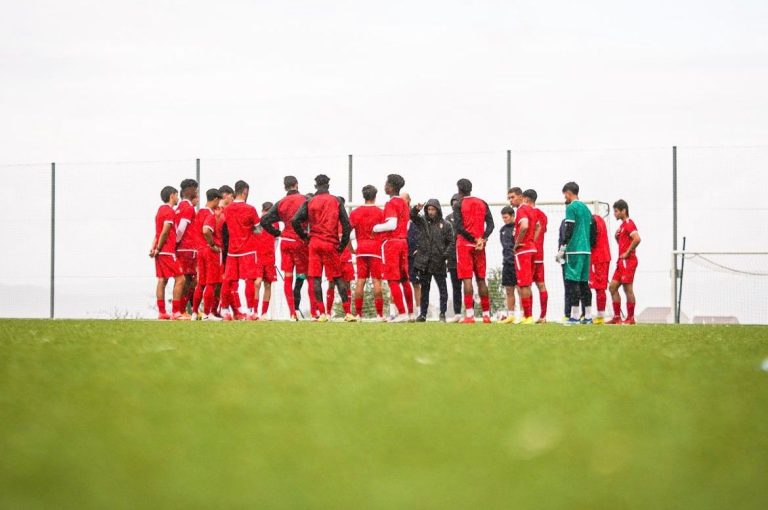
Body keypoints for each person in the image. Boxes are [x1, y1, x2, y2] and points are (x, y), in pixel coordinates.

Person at [292, 174, 353, 322]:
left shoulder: (310, 201)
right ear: (328, 185)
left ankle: (323, 313)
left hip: (314, 243)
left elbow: (295, 220)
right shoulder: (336, 201)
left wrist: (305, 236)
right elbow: (347, 225)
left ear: (315, 186)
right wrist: (342, 244)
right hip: (330, 243)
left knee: (316, 278)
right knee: (338, 277)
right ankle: (347, 313)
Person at [260, 176, 312, 321]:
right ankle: (316, 313)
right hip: (301, 242)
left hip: (286, 242)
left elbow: (264, 221)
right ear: (297, 184)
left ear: (285, 187)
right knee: (309, 277)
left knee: (288, 278)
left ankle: (292, 314)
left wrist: (277, 233)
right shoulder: (305, 200)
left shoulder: (280, 203)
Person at [372, 174, 414, 323]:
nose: (384, 186)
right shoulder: (404, 203)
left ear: (390, 186)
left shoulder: (391, 203)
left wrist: (375, 228)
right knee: (404, 279)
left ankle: (401, 313)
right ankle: (410, 314)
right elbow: (407, 225)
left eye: (386, 183)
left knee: (392, 280)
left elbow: (392, 224)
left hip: (391, 243)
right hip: (403, 241)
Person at [452, 178, 494, 324]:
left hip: (465, 245)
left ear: (459, 190)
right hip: (480, 246)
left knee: (467, 279)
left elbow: (459, 227)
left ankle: (469, 315)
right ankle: (486, 315)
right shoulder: (482, 202)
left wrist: (473, 239)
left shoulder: (458, 204)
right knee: (481, 279)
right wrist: (482, 238)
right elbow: (491, 224)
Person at [221, 180, 261, 321]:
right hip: (248, 250)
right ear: (245, 191)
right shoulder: (250, 209)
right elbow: (258, 229)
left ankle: (225, 310)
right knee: (249, 280)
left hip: (232, 250)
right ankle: (250, 311)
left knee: (229, 281)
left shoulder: (228, 209)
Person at [410, 199, 453, 322]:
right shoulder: (422, 222)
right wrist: (416, 209)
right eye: (429, 209)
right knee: (425, 289)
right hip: (424, 262)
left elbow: (451, 242)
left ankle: (442, 314)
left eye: (433, 209)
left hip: (439, 262)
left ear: (438, 210)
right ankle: (423, 314)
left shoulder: (446, 225)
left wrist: (444, 256)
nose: (430, 212)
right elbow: (412, 216)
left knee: (442, 289)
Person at [558, 181, 594, 325]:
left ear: (568, 193)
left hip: (574, 250)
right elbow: (593, 231)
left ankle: (574, 316)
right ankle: (588, 316)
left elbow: (569, 227)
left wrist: (563, 247)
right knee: (584, 284)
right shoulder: (586, 209)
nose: (564, 198)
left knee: (573, 283)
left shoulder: (571, 207)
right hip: (586, 250)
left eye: (565, 195)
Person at [149, 186, 187, 320]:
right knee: (181, 278)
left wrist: (153, 247)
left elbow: (157, 232)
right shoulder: (169, 211)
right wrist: (159, 248)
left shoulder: (159, 211)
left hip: (160, 251)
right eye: (177, 195)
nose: (178, 198)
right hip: (167, 251)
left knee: (162, 280)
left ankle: (162, 312)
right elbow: (165, 231)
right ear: (172, 195)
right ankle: (176, 312)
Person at [348, 185, 385, 320]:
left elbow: (346, 232)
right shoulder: (380, 212)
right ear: (375, 196)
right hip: (375, 249)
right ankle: (379, 315)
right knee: (377, 282)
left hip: (361, 249)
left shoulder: (355, 212)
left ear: (363, 196)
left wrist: (351, 248)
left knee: (360, 281)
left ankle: (358, 314)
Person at [609, 199, 641, 325]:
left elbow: (637, 239)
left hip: (629, 261)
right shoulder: (622, 226)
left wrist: (627, 253)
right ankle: (617, 317)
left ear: (624, 211)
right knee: (612, 287)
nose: (614, 214)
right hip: (621, 262)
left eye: (616, 211)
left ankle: (631, 318)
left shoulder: (629, 223)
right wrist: (616, 238)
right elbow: (624, 244)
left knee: (628, 289)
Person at [508, 187, 536, 324]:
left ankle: (528, 316)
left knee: (523, 284)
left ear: (520, 196)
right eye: (509, 198)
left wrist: (517, 244)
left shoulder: (521, 209)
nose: (510, 201)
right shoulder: (531, 209)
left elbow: (524, 226)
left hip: (523, 250)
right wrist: (532, 241)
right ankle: (528, 315)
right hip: (531, 249)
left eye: (512, 197)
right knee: (528, 284)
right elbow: (537, 227)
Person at [195, 189, 223, 320]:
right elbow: (206, 230)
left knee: (201, 283)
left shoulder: (199, 212)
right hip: (209, 251)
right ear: (216, 199)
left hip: (199, 250)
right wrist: (212, 245)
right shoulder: (210, 214)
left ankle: (195, 313)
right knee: (211, 283)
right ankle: (207, 314)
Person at [325, 197, 355, 319]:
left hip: (343, 256)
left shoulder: (345, 222)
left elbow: (347, 239)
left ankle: (347, 313)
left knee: (345, 284)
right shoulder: (328, 221)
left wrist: (353, 251)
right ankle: (328, 313)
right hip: (334, 256)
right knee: (332, 284)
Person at [174, 178, 199, 317]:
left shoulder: (179, 207)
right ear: (188, 190)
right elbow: (181, 229)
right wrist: (176, 243)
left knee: (187, 280)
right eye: (195, 188)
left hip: (183, 249)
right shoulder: (187, 207)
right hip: (187, 249)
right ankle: (180, 310)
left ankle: (181, 309)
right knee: (186, 280)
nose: (196, 191)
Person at [254, 202, 278, 320]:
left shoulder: (275, 224)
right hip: (258, 257)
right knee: (257, 283)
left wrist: (272, 254)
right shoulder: (258, 223)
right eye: (266, 211)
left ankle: (264, 313)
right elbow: (253, 238)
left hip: (269, 258)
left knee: (267, 285)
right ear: (262, 211)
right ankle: (254, 311)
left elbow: (276, 240)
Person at [529, 190, 549, 323]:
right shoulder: (543, 215)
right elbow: (543, 230)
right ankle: (543, 316)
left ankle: (527, 316)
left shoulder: (527, 213)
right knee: (541, 284)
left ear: (526, 199)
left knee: (524, 285)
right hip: (539, 254)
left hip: (528, 254)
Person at [589, 212, 611, 324]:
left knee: (597, 287)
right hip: (605, 256)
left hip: (598, 257)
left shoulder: (592, 221)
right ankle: (600, 315)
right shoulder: (599, 219)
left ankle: (598, 316)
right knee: (600, 287)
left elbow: (592, 240)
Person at [444, 194, 463, 322]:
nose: (454, 204)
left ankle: (470, 312)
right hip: (452, 258)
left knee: (469, 284)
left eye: (457, 202)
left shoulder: (466, 217)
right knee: (456, 286)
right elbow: (445, 239)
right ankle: (457, 313)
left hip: (465, 254)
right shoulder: (447, 219)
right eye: (453, 202)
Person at [498, 206, 518, 324]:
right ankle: (511, 315)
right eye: (503, 218)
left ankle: (524, 314)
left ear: (512, 216)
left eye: (506, 217)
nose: (504, 220)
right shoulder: (502, 230)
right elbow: (504, 245)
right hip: (507, 263)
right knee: (509, 290)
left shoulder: (518, 228)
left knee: (521, 289)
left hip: (517, 262)